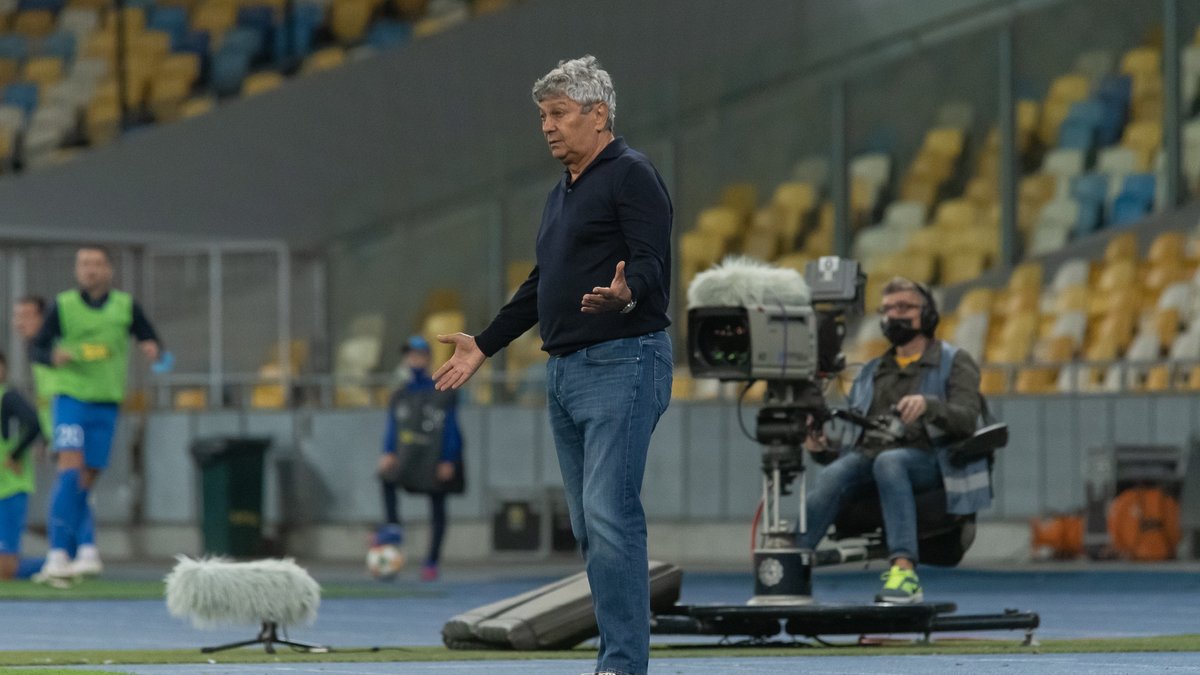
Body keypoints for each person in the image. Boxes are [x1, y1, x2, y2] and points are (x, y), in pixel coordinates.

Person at [434, 55, 673, 675]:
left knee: (610, 515)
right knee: (589, 525)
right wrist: (486, 343)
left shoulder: (632, 174)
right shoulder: (561, 192)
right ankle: (617, 658)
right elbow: (545, 280)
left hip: (624, 359)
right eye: (543, 115)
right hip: (566, 371)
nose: (547, 126)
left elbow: (651, 261)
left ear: (599, 115)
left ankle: (623, 665)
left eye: (559, 113)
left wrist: (627, 293)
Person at [801, 277, 984, 604]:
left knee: (890, 462)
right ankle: (790, 567)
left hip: (933, 460)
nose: (893, 315)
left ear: (927, 314)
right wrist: (823, 449)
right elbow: (854, 443)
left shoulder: (955, 361)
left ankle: (904, 573)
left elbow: (967, 418)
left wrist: (929, 406)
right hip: (874, 457)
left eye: (904, 307)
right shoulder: (871, 371)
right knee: (834, 473)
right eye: (887, 309)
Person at [30, 245, 163, 580]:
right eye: (84, 264)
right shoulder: (63, 306)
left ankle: (85, 552)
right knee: (69, 470)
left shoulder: (125, 306)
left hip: (107, 402)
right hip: (72, 398)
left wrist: (152, 349)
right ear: (77, 270)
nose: (90, 269)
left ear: (109, 270)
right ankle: (57, 554)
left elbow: (149, 337)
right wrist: (52, 357)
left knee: (85, 480)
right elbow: (37, 347)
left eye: (96, 263)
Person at [377, 335, 464, 582]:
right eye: (410, 355)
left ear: (427, 358)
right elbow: (393, 426)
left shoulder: (442, 390)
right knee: (386, 477)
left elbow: (451, 427)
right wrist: (388, 451)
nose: (414, 359)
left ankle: (432, 561)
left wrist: (448, 458)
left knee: (438, 505)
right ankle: (393, 527)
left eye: (418, 355)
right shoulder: (399, 394)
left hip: (434, 457)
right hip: (409, 456)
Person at [0, 349, 45, 580]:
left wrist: (15, 454)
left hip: (9, 488)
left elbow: (35, 423)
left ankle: (56, 563)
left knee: (5, 570)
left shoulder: (8, 397)